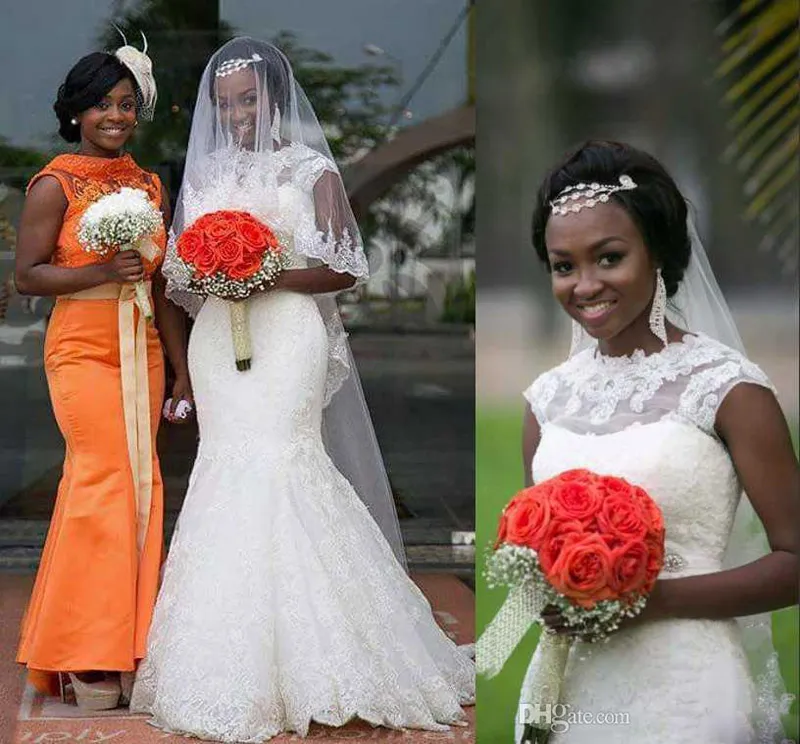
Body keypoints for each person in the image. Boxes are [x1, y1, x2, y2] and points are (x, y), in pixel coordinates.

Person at [129, 37, 474, 741]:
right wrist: (209, 274)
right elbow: (179, 277)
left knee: (286, 461)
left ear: (275, 98)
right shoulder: (204, 179)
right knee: (226, 469)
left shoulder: (311, 170)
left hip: (287, 332)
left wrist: (267, 274)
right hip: (221, 336)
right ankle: (225, 661)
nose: (236, 114)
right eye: (225, 104)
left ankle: (334, 654)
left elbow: (347, 268)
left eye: (248, 99)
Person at [513, 140, 798, 743]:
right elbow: (534, 553)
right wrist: (542, 591)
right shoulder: (546, 400)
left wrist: (644, 601)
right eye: (564, 266)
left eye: (609, 258)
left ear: (660, 254)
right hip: (574, 687)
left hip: (685, 684)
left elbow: (795, 562)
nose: (584, 286)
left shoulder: (729, 390)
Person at [14, 41, 191, 711]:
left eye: (125, 104)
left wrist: (179, 370)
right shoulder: (54, 182)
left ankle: (130, 644)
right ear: (76, 113)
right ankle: (83, 652)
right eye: (100, 105)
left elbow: (163, 288)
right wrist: (96, 272)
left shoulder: (148, 185)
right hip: (81, 348)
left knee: (140, 482)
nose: (114, 116)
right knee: (99, 480)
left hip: (141, 342)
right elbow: (27, 275)